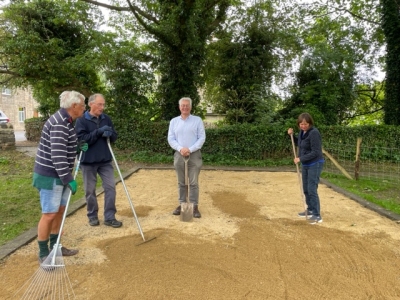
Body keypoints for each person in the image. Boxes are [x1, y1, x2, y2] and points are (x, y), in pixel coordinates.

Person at [33, 90, 87, 264]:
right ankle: (43, 252)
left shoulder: (67, 121)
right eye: (83, 105)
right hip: (50, 176)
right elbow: (57, 156)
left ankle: (56, 247)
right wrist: (68, 178)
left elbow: (62, 147)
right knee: (49, 213)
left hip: (60, 175)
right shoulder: (59, 123)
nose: (84, 108)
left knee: (60, 211)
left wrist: (76, 148)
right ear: (74, 106)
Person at [75, 93, 122, 228]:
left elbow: (114, 137)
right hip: (88, 161)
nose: (102, 107)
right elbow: (82, 140)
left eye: (103, 104)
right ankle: (92, 215)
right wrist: (98, 132)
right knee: (90, 191)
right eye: (100, 104)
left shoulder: (106, 119)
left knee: (110, 187)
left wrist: (110, 134)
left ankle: (109, 216)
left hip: (105, 160)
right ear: (91, 104)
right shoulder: (81, 120)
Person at [168, 97, 206, 218]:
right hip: (179, 155)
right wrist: (180, 148)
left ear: (190, 107)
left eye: (187, 105)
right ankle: (182, 204)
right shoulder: (174, 121)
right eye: (183, 105)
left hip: (194, 155)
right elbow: (171, 138)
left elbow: (202, 137)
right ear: (179, 107)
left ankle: (194, 206)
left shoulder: (197, 120)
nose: (185, 107)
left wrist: (190, 149)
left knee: (193, 182)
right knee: (181, 182)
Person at [288, 112, 324, 224]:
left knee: (312, 188)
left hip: (315, 163)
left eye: (305, 124)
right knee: (306, 188)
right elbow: (299, 143)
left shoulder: (314, 133)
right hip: (306, 164)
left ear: (310, 123)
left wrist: (300, 158)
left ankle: (317, 215)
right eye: (301, 124)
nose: (303, 126)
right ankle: (310, 210)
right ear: (298, 124)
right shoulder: (302, 133)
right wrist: (291, 135)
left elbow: (316, 152)